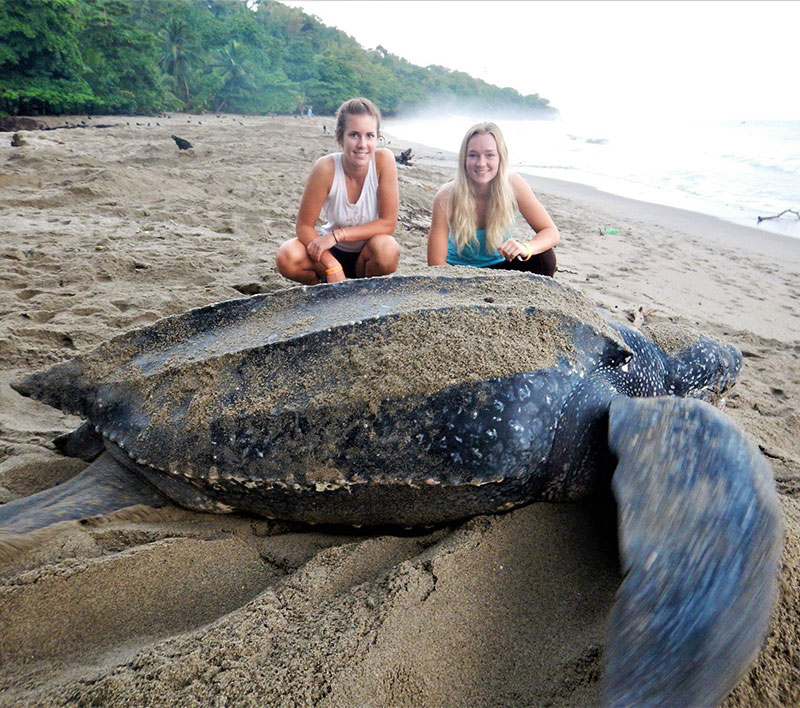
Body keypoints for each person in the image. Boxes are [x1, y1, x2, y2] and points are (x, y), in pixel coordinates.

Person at [276, 97, 399, 284]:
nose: (362, 144)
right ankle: (323, 290)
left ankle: (365, 292)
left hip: (366, 254)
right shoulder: (326, 168)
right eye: (354, 135)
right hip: (331, 250)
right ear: (340, 137)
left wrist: (338, 235)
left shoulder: (383, 161)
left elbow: (388, 224)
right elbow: (304, 226)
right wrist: (331, 264)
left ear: (377, 138)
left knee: (388, 249)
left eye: (369, 135)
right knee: (287, 256)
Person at [427, 121, 559, 276]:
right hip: (458, 271)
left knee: (545, 257)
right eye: (473, 155)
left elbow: (551, 232)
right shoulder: (446, 196)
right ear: (463, 159)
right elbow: (435, 263)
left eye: (490, 155)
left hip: (500, 266)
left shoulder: (513, 184)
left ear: (500, 158)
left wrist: (525, 247)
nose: (481, 163)